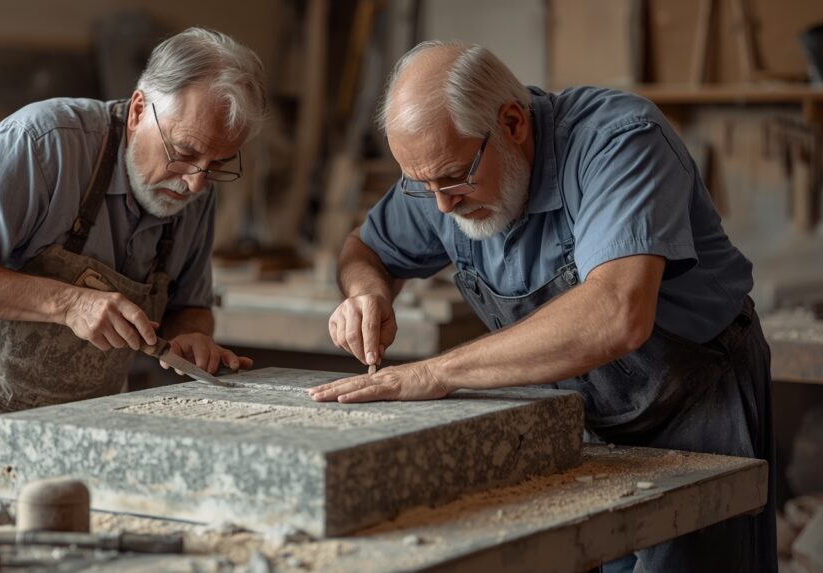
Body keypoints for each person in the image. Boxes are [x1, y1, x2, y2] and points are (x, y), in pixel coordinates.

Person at [310, 41, 776, 573]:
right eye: (423, 185)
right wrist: (366, 292)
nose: (442, 204)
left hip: (696, 404)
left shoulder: (618, 140)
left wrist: (436, 372)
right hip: (576, 420)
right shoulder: (441, 171)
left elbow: (616, 314)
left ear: (512, 122)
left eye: (454, 177)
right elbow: (364, 250)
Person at [0, 28, 266, 459]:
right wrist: (69, 303)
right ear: (140, 110)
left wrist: (192, 338)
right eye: (183, 151)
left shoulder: (197, 192)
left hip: (77, 420)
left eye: (216, 164)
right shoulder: (45, 144)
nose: (195, 182)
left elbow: (189, 307)